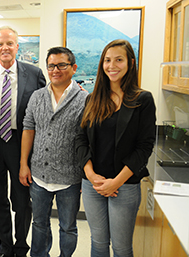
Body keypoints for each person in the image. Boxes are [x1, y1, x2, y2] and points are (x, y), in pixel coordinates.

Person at [75, 39, 156, 257]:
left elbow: (144, 146)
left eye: (118, 60)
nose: (112, 65)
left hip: (125, 186)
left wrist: (116, 182)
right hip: (94, 185)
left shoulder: (143, 100)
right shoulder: (92, 99)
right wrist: (91, 176)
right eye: (108, 60)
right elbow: (81, 139)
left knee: (121, 248)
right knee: (98, 243)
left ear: (130, 62)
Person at [0, 26, 46, 257]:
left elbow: (43, 111)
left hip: (21, 143)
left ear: (17, 46)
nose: (5, 48)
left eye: (9, 43)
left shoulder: (34, 74)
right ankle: (5, 247)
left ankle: (20, 247)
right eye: (0, 44)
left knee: (22, 199)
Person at [20, 47, 88, 257]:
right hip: (39, 174)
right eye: (51, 66)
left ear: (73, 68)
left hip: (70, 177)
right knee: (39, 224)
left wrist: (86, 176)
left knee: (68, 227)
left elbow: (87, 141)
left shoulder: (85, 99)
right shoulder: (37, 96)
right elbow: (28, 129)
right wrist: (24, 164)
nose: (55, 70)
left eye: (61, 65)